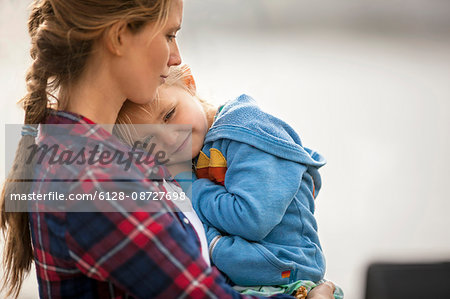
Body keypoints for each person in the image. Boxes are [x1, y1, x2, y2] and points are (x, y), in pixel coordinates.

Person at [0, 0, 337, 299]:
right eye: (169, 35)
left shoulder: (85, 150)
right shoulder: (96, 181)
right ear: (119, 37)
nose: (176, 57)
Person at [115, 65, 343, 298]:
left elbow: (251, 218)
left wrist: (189, 185)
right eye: (148, 139)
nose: (170, 137)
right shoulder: (195, 152)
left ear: (189, 83)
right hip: (250, 282)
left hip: (286, 279)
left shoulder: (247, 132)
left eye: (169, 115)